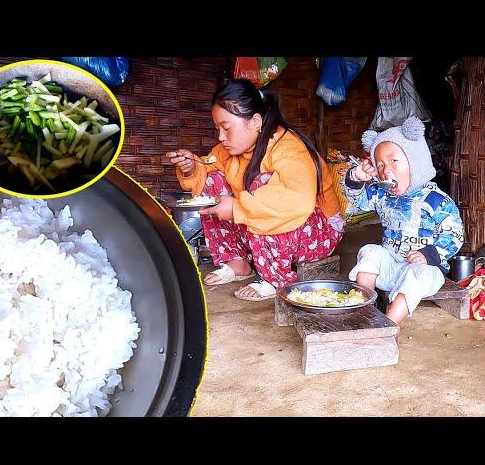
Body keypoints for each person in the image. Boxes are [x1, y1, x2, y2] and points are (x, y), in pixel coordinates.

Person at [168, 79, 344, 301]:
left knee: (263, 183)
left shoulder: (288, 147)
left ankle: (275, 277)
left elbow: (295, 200)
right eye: (217, 128)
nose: (220, 137)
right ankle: (237, 262)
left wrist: (237, 207)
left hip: (318, 232)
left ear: (255, 122)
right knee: (212, 179)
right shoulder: (227, 150)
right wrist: (192, 167)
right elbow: (207, 166)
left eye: (227, 128)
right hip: (275, 232)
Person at [344, 116, 464, 326]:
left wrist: (428, 255)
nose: (385, 170)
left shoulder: (436, 201)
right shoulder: (382, 194)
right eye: (379, 164)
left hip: (423, 271)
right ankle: (366, 310)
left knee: (419, 276)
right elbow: (360, 201)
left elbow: (454, 234)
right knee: (370, 251)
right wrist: (356, 176)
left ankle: (389, 325)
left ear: (415, 161)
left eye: (393, 161)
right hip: (389, 268)